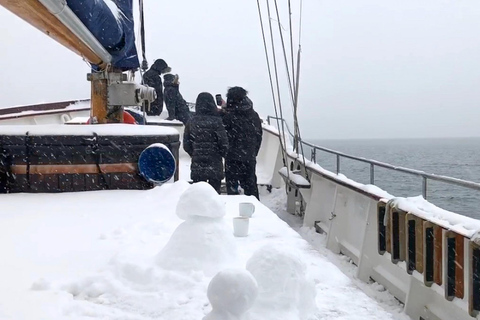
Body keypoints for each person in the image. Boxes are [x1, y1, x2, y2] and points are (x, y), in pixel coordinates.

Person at [183, 92, 228, 193]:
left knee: (198, 195)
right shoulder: (217, 121)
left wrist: (194, 153)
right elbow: (224, 143)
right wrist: (219, 154)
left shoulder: (191, 121)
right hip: (215, 163)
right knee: (215, 194)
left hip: (198, 164)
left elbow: (186, 145)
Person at [222, 87, 262, 200]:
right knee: (251, 187)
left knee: (232, 188)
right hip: (249, 156)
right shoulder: (253, 115)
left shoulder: (228, 116)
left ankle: (233, 210)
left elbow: (223, 136)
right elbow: (259, 135)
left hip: (232, 157)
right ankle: (256, 209)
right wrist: (254, 152)